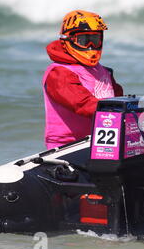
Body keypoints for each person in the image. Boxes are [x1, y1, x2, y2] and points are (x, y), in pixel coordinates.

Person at [42, 10, 123, 149]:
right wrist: (120, 109)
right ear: (68, 39)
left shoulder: (104, 71)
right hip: (67, 146)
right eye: (84, 41)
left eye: (95, 40)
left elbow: (120, 99)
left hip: (100, 141)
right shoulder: (59, 73)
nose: (91, 46)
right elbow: (82, 104)